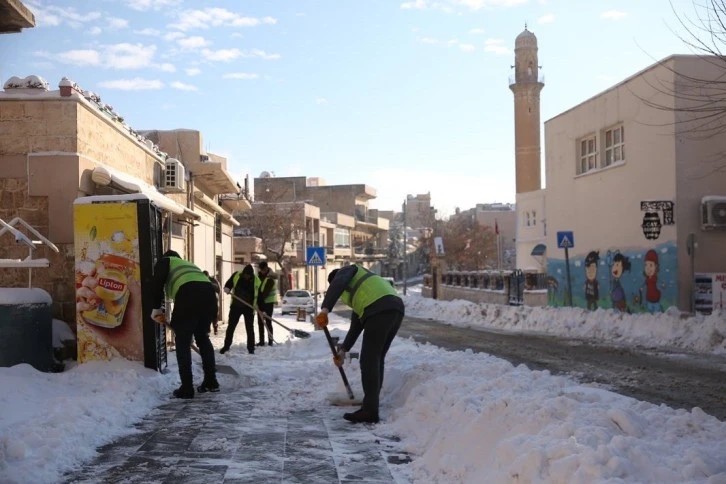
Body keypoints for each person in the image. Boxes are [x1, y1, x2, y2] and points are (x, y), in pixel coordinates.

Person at [316, 264, 404, 424]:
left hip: (380, 309)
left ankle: (370, 411)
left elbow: (338, 282)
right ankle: (372, 403)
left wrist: (325, 310)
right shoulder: (363, 290)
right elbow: (355, 328)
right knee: (376, 358)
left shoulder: (348, 271)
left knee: (369, 360)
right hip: (395, 308)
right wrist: (342, 351)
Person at [151, 250, 219, 399]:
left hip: (189, 294)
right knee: (202, 338)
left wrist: (156, 308)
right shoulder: (187, 264)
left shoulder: (166, 261)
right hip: (209, 295)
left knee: (182, 341)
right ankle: (211, 381)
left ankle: (187, 388)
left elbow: (156, 284)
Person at [220, 264, 259, 355]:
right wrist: (227, 288)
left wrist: (262, 309)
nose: (246, 277)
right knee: (231, 327)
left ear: (251, 275)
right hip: (236, 306)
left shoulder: (256, 281)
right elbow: (229, 283)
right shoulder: (236, 275)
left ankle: (251, 348)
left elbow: (259, 295)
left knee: (249, 329)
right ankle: (226, 346)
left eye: (248, 275)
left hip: (249, 307)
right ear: (243, 273)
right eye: (245, 275)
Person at [256, 261, 279, 346]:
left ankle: (270, 341)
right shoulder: (259, 277)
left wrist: (260, 302)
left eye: (263, 269)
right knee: (260, 322)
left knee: (268, 322)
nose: (262, 271)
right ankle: (261, 341)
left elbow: (265, 293)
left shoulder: (271, 279)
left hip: (268, 303)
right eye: (261, 270)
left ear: (266, 268)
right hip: (260, 302)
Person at [203, 270, 221, 335]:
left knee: (214, 316)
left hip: (214, 300)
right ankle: (207, 330)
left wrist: (209, 284)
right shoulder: (201, 280)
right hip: (205, 301)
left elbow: (218, 289)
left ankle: (215, 328)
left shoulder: (213, 280)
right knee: (207, 316)